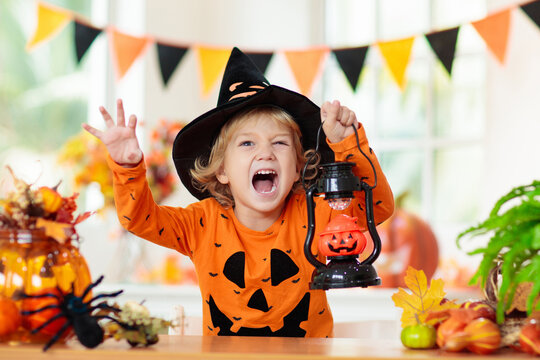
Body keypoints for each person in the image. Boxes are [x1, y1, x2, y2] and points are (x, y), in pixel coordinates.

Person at [83, 47, 394, 337]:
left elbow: (376, 208)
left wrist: (348, 145)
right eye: (247, 143)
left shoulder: (314, 213)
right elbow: (138, 219)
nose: (265, 154)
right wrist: (127, 167)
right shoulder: (201, 224)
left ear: (299, 165)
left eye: (280, 143)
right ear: (222, 170)